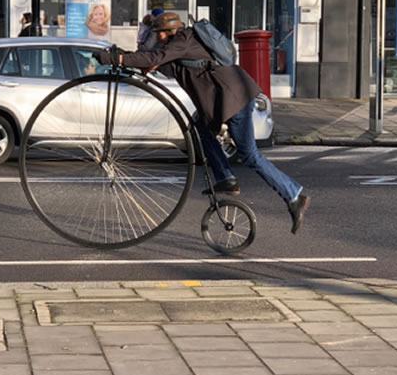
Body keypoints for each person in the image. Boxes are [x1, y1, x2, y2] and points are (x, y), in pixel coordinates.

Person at [94, 12, 310, 234]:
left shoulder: (183, 41)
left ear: (166, 33)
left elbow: (155, 58)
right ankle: (226, 178)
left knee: (250, 156)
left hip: (233, 99)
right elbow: (153, 61)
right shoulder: (179, 47)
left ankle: (293, 195)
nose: (157, 39)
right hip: (226, 98)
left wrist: (117, 59)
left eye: (158, 35)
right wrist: (124, 56)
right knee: (198, 123)